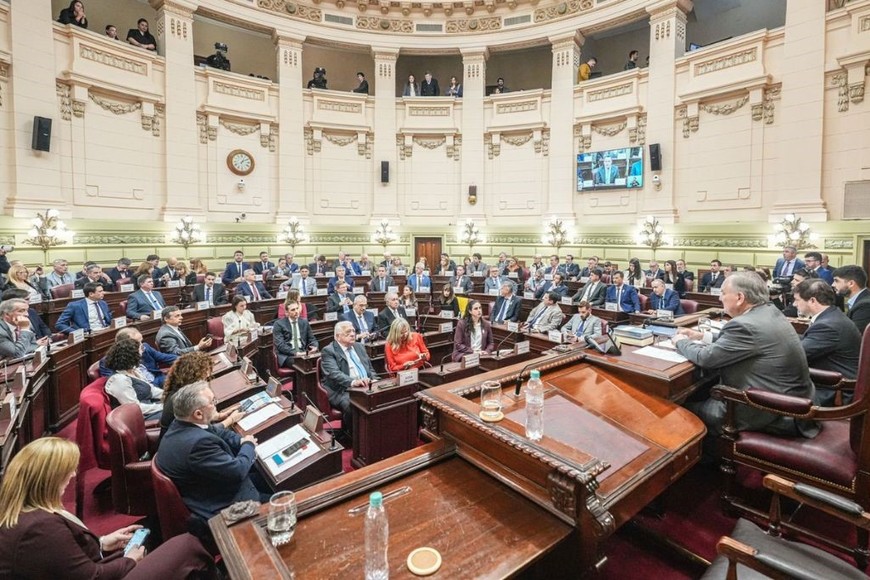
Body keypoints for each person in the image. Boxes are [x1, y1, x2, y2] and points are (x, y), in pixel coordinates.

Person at [0, 438, 217, 579]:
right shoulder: (39, 528)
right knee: (187, 545)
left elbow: (62, 560)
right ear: (48, 479)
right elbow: (92, 577)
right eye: (68, 470)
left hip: (98, 563)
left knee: (154, 531)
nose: (73, 475)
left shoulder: (28, 514)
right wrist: (130, 560)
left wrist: (103, 542)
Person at [673, 273, 817, 444]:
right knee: (701, 391)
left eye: (723, 293)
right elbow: (746, 342)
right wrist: (702, 336)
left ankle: (699, 456)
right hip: (795, 401)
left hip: (768, 410)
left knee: (677, 408)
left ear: (740, 298)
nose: (720, 298)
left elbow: (705, 358)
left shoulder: (744, 325)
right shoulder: (769, 312)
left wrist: (680, 342)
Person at [157, 383, 268, 520]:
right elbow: (237, 471)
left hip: (213, 486)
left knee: (264, 477)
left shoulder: (181, 424)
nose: (216, 405)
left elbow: (216, 431)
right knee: (287, 493)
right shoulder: (198, 445)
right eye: (212, 402)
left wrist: (240, 440)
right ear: (198, 413)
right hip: (228, 505)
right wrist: (248, 445)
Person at [792, 280, 860, 405]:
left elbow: (797, 355)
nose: (794, 304)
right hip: (829, 383)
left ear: (812, 300)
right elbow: (808, 340)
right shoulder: (832, 316)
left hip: (835, 393)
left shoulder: (827, 326)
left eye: (797, 300)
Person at [159, 352, 244, 437]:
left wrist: (219, 416)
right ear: (193, 376)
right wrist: (231, 420)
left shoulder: (180, 390)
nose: (206, 379)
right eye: (204, 376)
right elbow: (202, 433)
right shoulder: (182, 400)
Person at [320, 321, 379, 427]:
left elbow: (370, 369)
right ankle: (354, 434)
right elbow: (334, 374)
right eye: (348, 332)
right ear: (338, 336)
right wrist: (354, 382)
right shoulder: (329, 351)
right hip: (342, 390)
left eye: (353, 331)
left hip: (366, 385)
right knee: (352, 405)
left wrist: (375, 380)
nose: (352, 334)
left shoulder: (359, 346)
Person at [104, 339, 164, 420]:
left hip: (150, 407)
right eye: (140, 349)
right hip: (140, 417)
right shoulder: (119, 380)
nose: (143, 351)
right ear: (131, 355)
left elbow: (151, 390)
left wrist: (168, 395)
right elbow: (135, 407)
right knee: (176, 412)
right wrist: (161, 406)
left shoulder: (134, 370)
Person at [98, 327, 176, 388]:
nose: (142, 345)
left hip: (158, 379)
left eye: (141, 341)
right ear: (124, 344)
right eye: (138, 343)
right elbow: (115, 384)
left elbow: (164, 357)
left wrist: (182, 358)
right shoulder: (108, 361)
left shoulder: (145, 347)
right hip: (142, 389)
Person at [273, 299, 318, 368]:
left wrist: (315, 346)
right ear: (287, 313)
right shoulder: (279, 324)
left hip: (303, 352)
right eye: (293, 310)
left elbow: (312, 339)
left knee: (321, 361)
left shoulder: (304, 322)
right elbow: (280, 345)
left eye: (297, 308)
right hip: (288, 355)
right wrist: (295, 353)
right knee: (302, 365)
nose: (296, 311)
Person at [833, 265, 870, 334]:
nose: (833, 285)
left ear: (851, 283)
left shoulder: (865, 305)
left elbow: (854, 335)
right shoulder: (862, 300)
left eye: (836, 281)